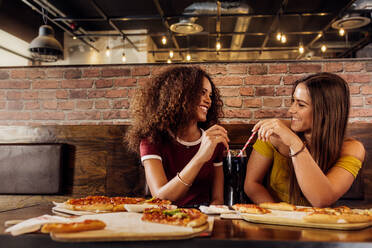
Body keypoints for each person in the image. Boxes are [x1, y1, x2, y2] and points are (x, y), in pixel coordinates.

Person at [244, 72, 365, 207]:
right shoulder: (273, 132)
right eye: (293, 101)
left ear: (325, 112)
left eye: (301, 105)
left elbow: (321, 199)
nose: (291, 110)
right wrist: (279, 212)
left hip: (318, 224)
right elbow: (251, 184)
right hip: (275, 219)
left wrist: (295, 143)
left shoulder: (352, 148)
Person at [125, 66, 229, 206]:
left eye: (210, 95)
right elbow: (161, 197)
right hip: (163, 218)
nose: (208, 100)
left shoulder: (214, 141)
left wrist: (209, 215)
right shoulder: (152, 140)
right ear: (180, 94)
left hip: (203, 219)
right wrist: (200, 157)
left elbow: (218, 200)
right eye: (202, 93)